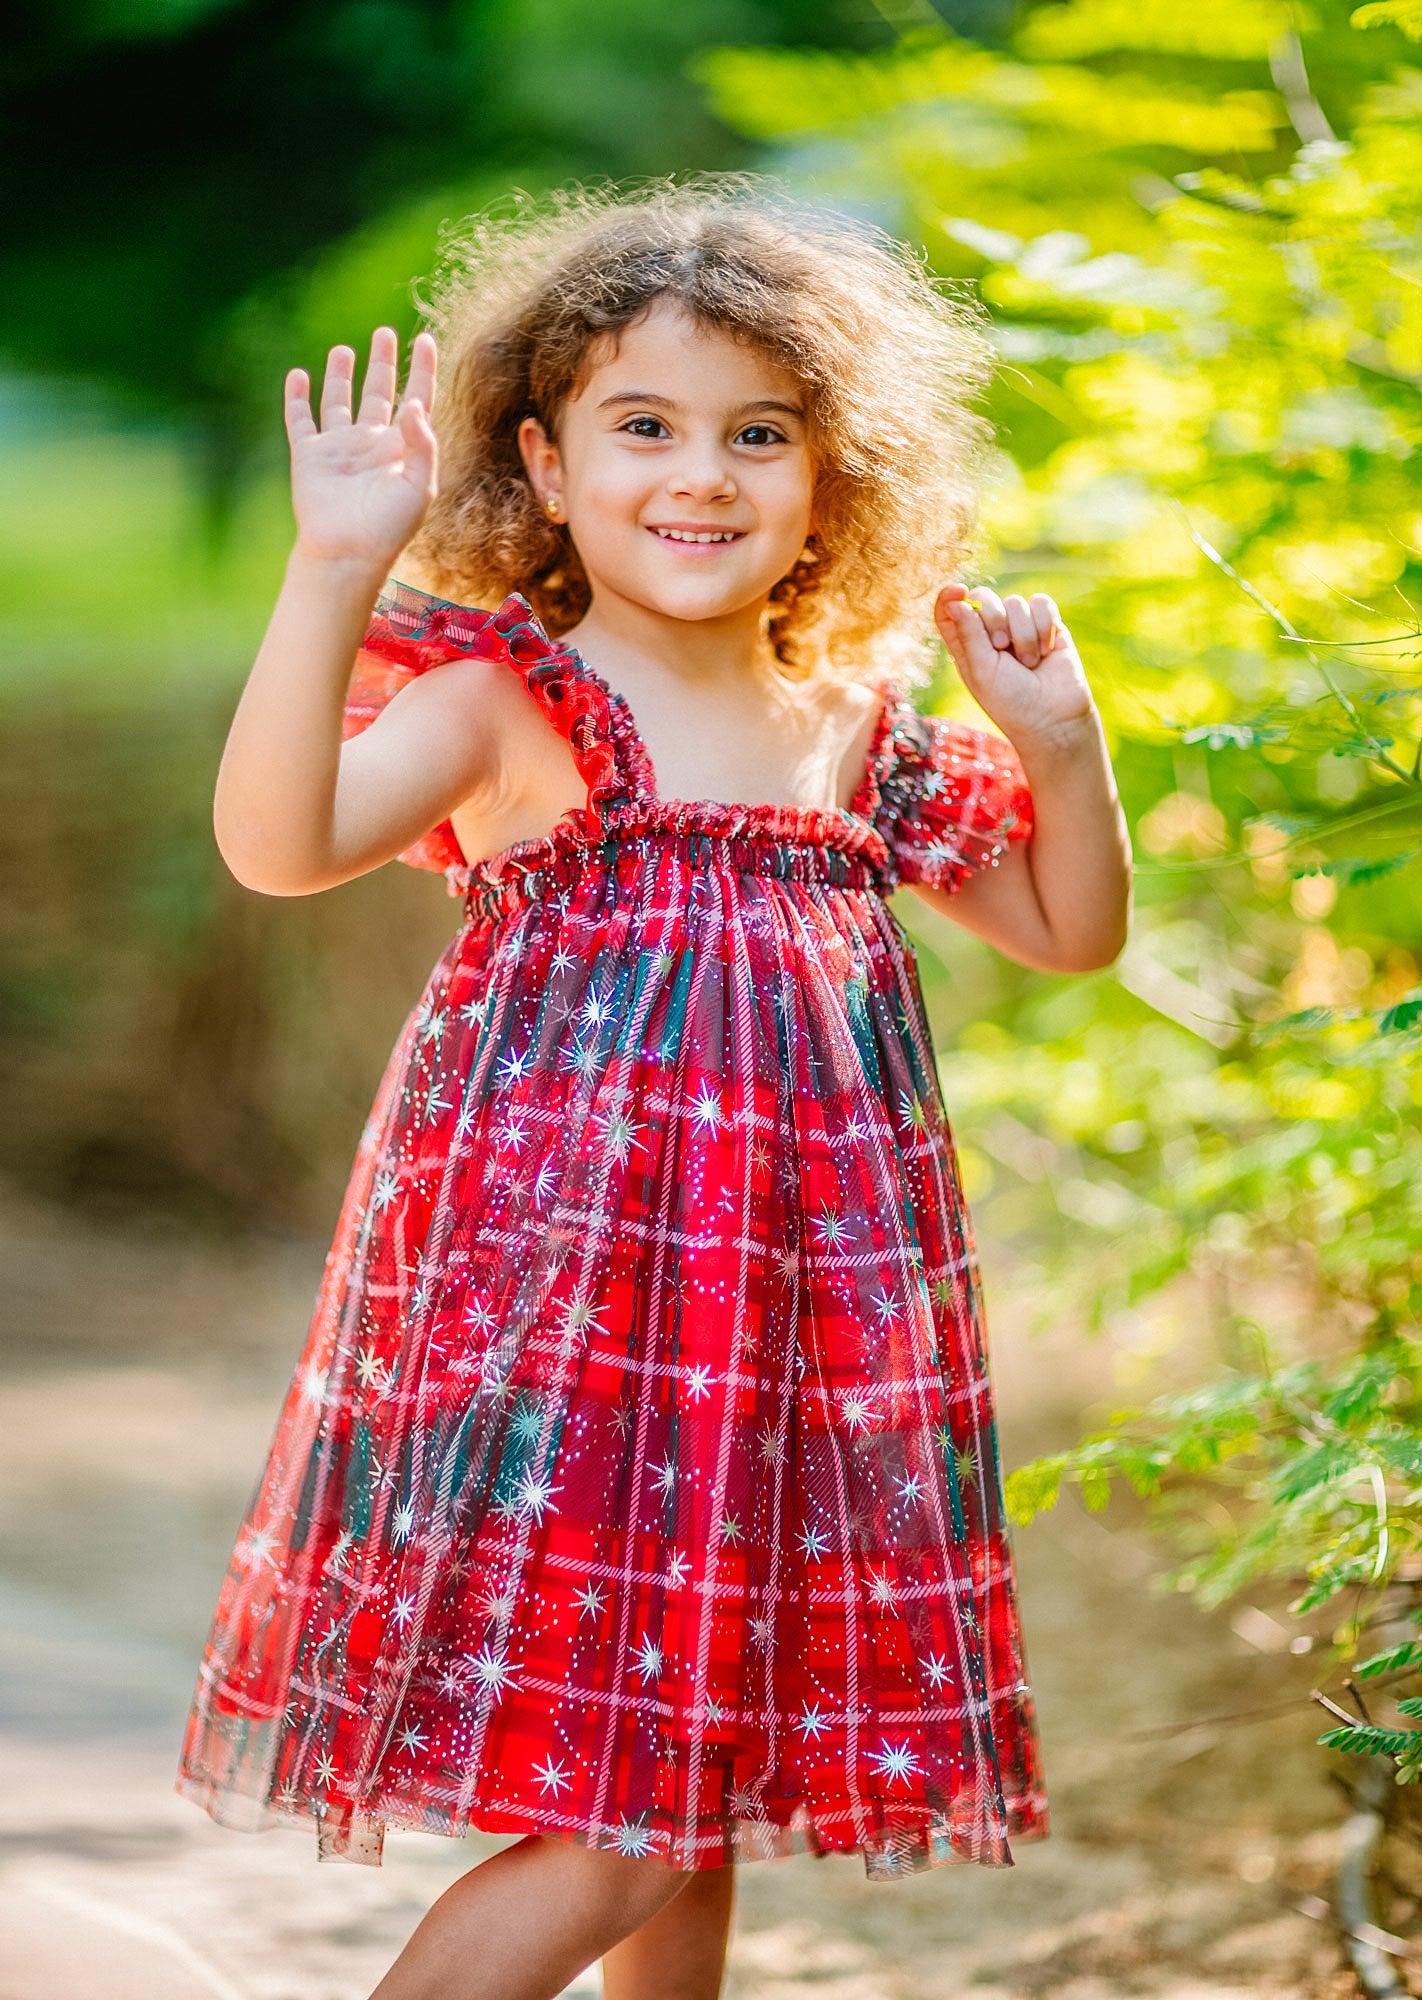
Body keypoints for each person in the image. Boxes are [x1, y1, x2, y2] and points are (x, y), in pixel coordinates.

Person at [175, 180, 1131, 2000]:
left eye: (756, 434)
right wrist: (329, 572)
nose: (701, 474)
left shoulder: (853, 725)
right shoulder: (509, 702)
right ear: (541, 466)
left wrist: (1062, 749)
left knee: (691, 1786)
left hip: (789, 1333)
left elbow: (1064, 928)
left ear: (828, 479)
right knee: (627, 1807)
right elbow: (278, 846)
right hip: (570, 1320)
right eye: (644, 427)